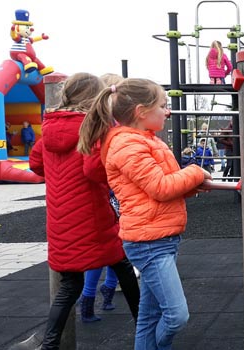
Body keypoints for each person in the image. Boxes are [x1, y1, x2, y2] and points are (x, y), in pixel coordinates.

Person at [77, 78, 212, 348]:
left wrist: (189, 186)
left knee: (148, 316)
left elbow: (157, 186)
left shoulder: (145, 140)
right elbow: (161, 187)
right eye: (163, 106)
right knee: (176, 315)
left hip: (161, 236)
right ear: (141, 111)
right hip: (149, 242)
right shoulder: (127, 145)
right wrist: (196, 171)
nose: (168, 111)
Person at [28, 73, 140, 348]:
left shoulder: (49, 129)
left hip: (60, 216)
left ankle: (50, 344)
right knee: (123, 265)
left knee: (70, 285)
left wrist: (59, 175)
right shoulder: (92, 128)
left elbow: (36, 165)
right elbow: (94, 169)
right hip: (91, 213)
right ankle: (144, 325)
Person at [79, 72, 127, 324]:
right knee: (112, 249)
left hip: (99, 195)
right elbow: (94, 167)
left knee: (107, 249)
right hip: (110, 193)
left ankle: (97, 294)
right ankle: (100, 292)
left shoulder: (91, 124)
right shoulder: (112, 128)